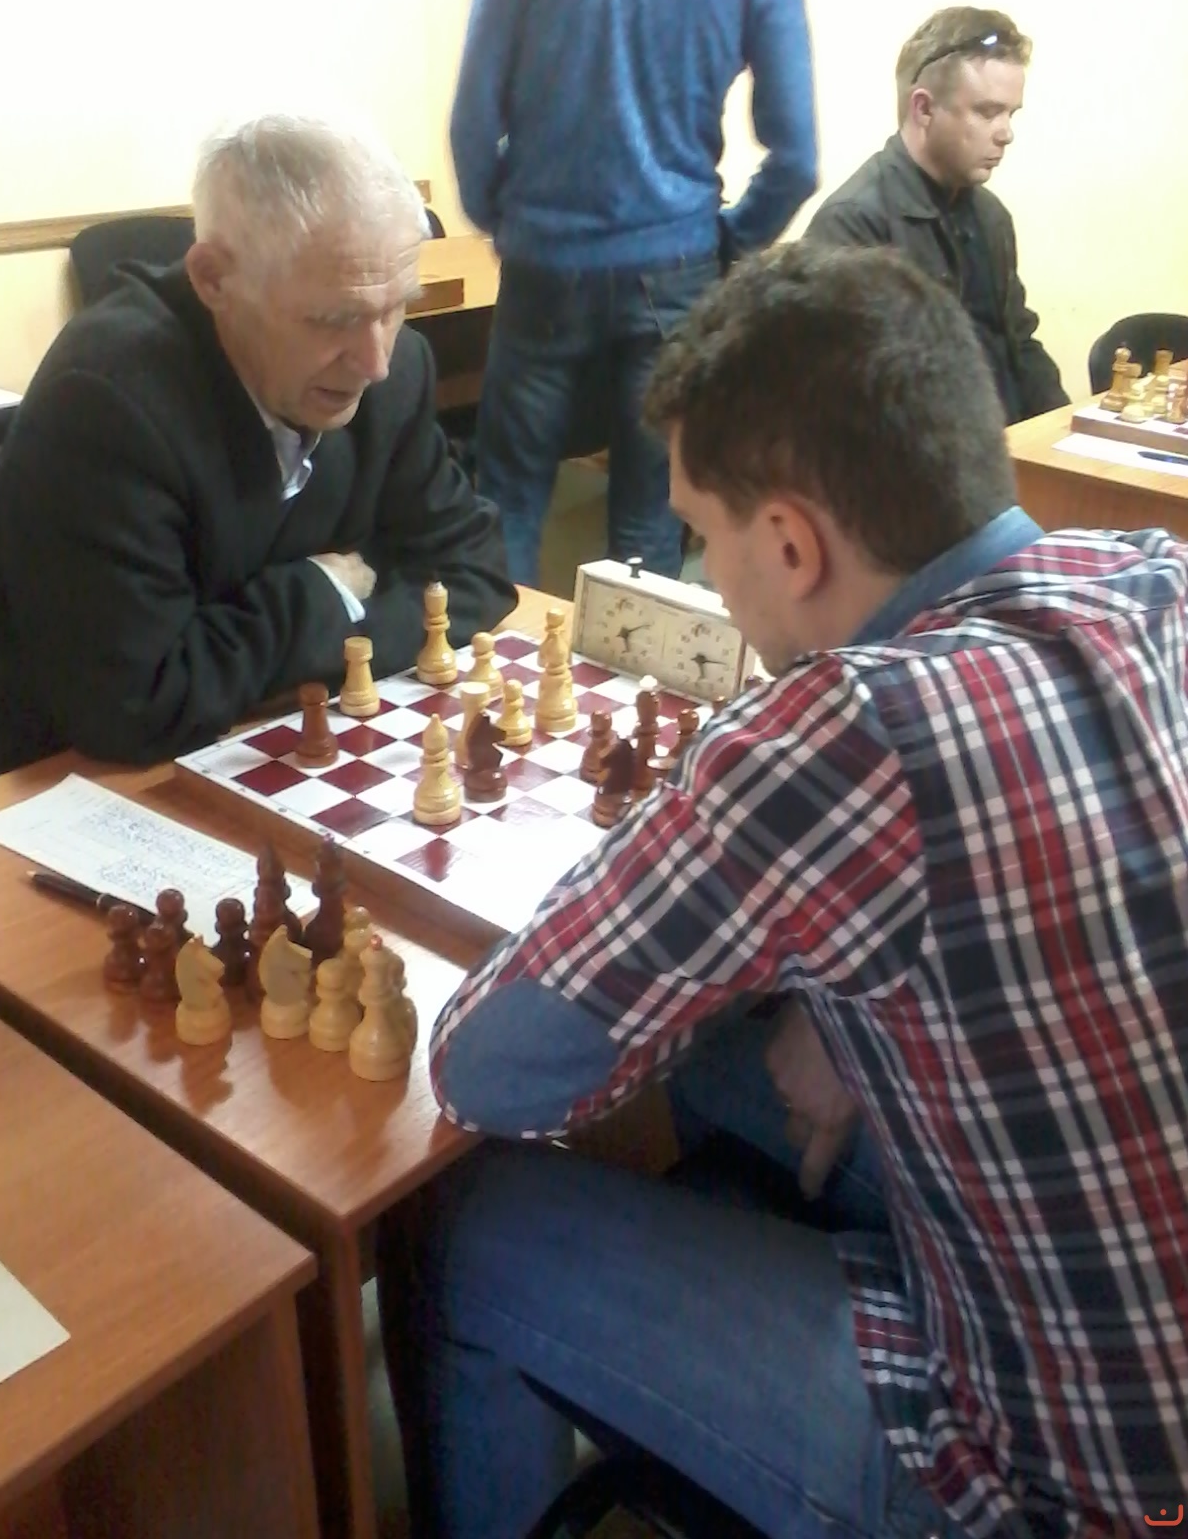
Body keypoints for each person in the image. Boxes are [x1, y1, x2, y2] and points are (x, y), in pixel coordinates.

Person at [380, 243, 1187, 1539]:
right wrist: (829, 1002)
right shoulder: (1153, 580)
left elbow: (487, 1066)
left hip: (1056, 1489)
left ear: (793, 544)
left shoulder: (847, 730)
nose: (707, 576)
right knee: (719, 1071)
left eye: (704, 538)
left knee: (471, 1224)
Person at [0, 116, 515, 778]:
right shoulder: (105, 405)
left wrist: (260, 647)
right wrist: (322, 592)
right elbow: (135, 707)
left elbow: (476, 576)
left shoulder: (396, 372)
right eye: (333, 318)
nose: (375, 360)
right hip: (55, 782)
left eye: (395, 306)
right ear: (214, 279)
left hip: (260, 741)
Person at [449, 0, 817, 585]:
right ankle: (634, 657)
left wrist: (504, 220)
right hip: (676, 262)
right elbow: (797, 161)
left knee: (508, 503)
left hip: (543, 259)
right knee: (652, 516)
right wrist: (725, 243)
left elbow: (473, 118)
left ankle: (498, 647)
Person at [806, 7, 1068, 425]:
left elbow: (1020, 346)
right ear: (924, 109)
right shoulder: (853, 225)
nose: (1006, 133)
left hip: (1007, 450)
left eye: (1011, 113)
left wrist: (1064, 434)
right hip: (926, 459)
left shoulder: (991, 216)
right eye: (987, 112)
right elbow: (852, 401)